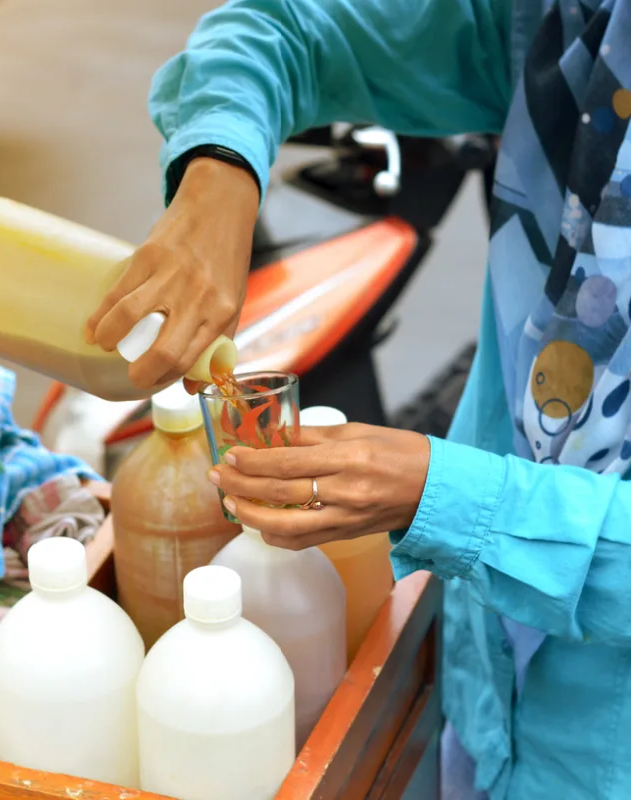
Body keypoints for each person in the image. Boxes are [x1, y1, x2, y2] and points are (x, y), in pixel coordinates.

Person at [84, 1, 631, 797]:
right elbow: (283, 28)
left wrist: (446, 499)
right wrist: (221, 172)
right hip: (484, 709)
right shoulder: (565, 24)